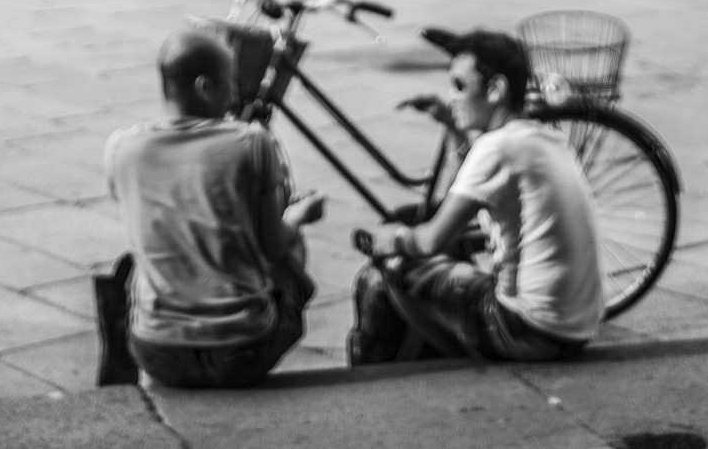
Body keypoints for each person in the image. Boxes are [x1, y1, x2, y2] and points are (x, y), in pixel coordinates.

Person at [349, 28, 602, 366]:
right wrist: (454, 127)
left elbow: (431, 241)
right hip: (574, 330)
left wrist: (391, 239)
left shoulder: (497, 147)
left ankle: (422, 366)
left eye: (459, 86)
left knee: (393, 267)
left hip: (525, 330)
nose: (451, 96)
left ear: (495, 89)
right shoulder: (544, 138)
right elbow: (467, 188)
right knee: (441, 263)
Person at [102, 26, 324, 389]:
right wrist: (299, 216)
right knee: (291, 243)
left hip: (157, 352)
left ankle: (140, 378)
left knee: (138, 261)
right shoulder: (252, 142)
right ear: (206, 87)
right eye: (230, 82)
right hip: (243, 352)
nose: (234, 93)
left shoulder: (120, 147)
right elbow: (273, 246)